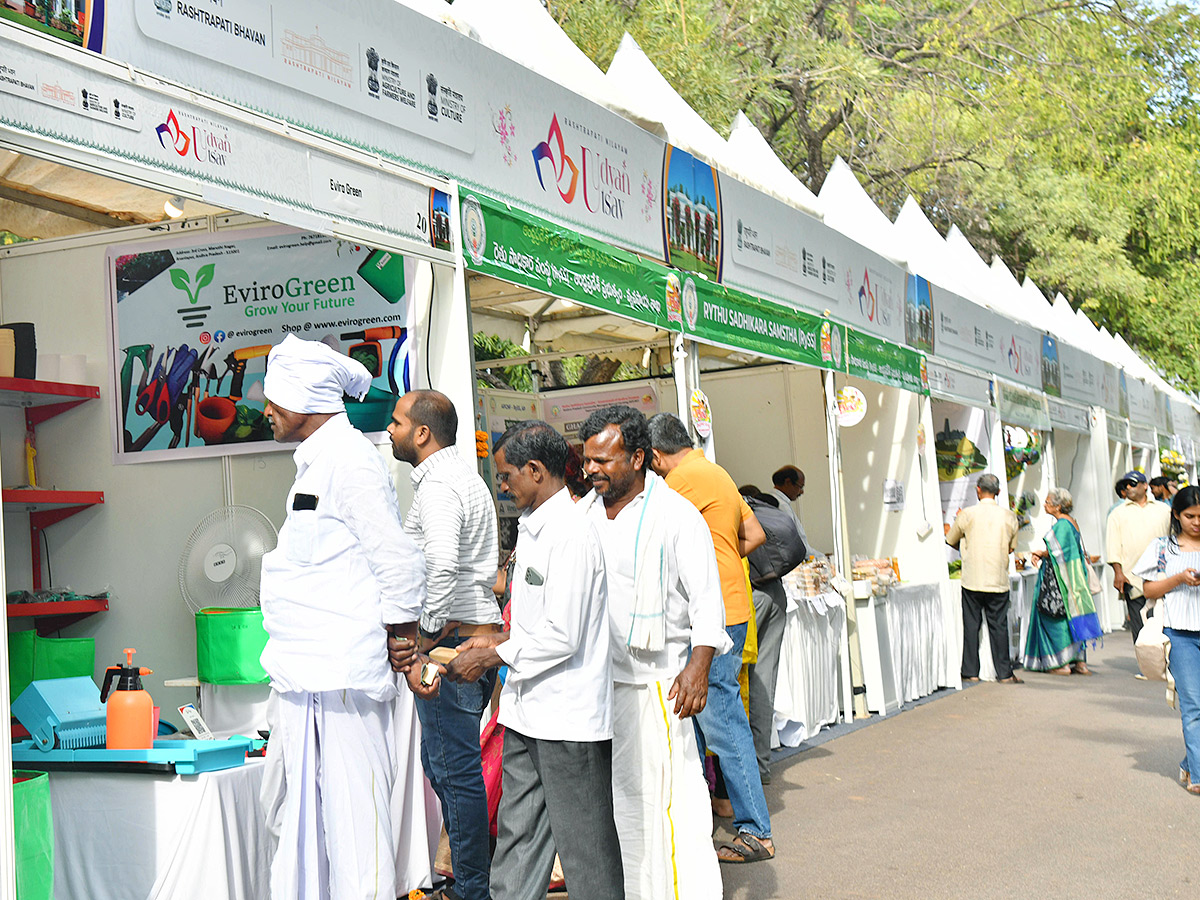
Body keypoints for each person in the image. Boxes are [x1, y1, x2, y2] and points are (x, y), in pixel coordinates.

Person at [257, 335, 432, 899]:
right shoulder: (314, 463)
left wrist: (403, 634)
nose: (265, 410)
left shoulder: (352, 461)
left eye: (275, 398)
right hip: (303, 674)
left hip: (345, 681)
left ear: (306, 398)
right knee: (296, 823)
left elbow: (394, 556)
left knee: (359, 836)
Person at [443, 420, 624, 900]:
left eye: (506, 476)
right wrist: (490, 643)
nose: (502, 486)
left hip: (567, 720)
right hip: (525, 714)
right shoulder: (535, 530)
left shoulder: (573, 534)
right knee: (518, 841)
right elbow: (530, 626)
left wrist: (491, 656)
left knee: (586, 851)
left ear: (536, 470)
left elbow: (562, 634)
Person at [579, 405, 732, 898]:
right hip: (599, 688)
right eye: (588, 461)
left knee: (668, 803)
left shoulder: (677, 516)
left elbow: (708, 602)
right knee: (620, 806)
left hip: (658, 689)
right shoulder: (583, 516)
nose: (592, 470)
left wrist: (699, 667)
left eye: (604, 460)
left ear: (639, 457)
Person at [646, 412, 774, 864]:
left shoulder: (680, 482)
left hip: (707, 618)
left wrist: (706, 562)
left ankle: (755, 830)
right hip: (732, 607)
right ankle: (707, 817)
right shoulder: (717, 473)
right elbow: (754, 533)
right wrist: (718, 555)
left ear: (657, 455)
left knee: (722, 722)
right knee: (706, 721)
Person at [388, 389, 500, 900]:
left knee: (454, 775)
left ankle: (473, 889)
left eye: (396, 422)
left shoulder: (438, 489)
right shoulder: (464, 478)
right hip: (465, 635)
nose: (390, 431)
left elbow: (441, 566)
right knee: (449, 770)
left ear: (423, 433)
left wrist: (424, 639)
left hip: (451, 642)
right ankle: (474, 880)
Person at [1134, 485, 1200, 795]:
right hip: (1180, 636)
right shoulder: (1163, 548)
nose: (1197, 522)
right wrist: (1179, 579)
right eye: (1190, 516)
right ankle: (1198, 774)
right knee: (1194, 706)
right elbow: (1148, 591)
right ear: (1176, 514)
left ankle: (1189, 763)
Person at [738, 486, 804, 785]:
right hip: (776, 590)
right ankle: (761, 765)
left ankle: (742, 773)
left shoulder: (728, 507)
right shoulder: (759, 506)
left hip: (750, 593)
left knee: (737, 682)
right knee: (764, 682)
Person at [946, 473, 1022, 684]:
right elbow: (1011, 548)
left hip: (972, 578)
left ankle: (970, 671)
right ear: (998, 492)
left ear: (978, 490)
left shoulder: (967, 514)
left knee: (971, 625)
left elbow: (950, 540)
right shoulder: (1009, 516)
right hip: (997, 578)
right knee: (999, 626)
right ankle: (1004, 673)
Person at [1021, 488, 1102, 675]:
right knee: (1073, 614)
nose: (1045, 505)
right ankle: (1079, 662)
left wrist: (1040, 553)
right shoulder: (1071, 523)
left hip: (1060, 579)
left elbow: (1058, 552)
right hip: (1072, 578)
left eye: (1048, 502)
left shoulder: (1063, 525)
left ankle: (1061, 663)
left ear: (1058, 506)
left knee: (1054, 617)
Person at [1106, 470, 1171, 657]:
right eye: (1126, 484)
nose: (1128, 488)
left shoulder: (1163, 510)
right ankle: (1146, 664)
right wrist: (1118, 573)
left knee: (1163, 619)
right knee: (1139, 622)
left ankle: (1166, 660)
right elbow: (1113, 546)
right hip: (1132, 577)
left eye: (1133, 484)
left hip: (1162, 575)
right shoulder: (1117, 513)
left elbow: (1173, 538)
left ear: (1145, 486)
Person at [770, 465, 809, 549]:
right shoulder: (781, 506)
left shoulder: (775, 501)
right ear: (788, 482)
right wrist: (821, 557)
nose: (801, 492)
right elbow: (796, 544)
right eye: (800, 487)